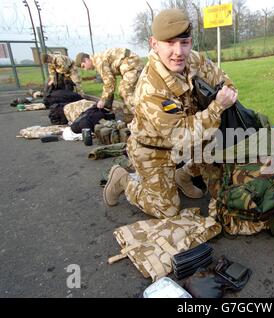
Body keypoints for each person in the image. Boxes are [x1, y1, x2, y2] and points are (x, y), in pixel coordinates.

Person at [102, 8, 238, 219]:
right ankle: (124, 180)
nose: (179, 52)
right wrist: (217, 107)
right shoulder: (151, 88)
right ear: (154, 44)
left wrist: (226, 93)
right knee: (167, 210)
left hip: (191, 139)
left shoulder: (194, 60)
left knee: (220, 164)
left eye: (184, 42)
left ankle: (182, 176)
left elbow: (226, 82)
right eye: (170, 43)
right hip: (153, 149)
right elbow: (181, 135)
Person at [75, 48, 144, 123]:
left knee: (125, 91)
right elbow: (112, 80)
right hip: (129, 64)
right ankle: (129, 118)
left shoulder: (98, 61)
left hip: (131, 63)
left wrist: (103, 99)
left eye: (83, 66)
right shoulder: (98, 59)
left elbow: (109, 82)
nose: (85, 69)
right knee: (124, 91)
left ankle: (142, 118)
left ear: (86, 60)